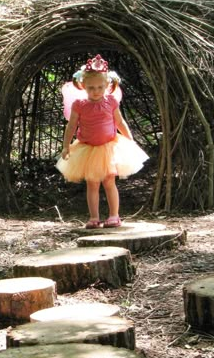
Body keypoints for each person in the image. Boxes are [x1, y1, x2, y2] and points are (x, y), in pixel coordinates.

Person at [56, 54, 148, 228]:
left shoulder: (111, 102)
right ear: (83, 86)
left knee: (109, 182)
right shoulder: (79, 104)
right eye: (91, 88)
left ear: (107, 85)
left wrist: (129, 139)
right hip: (88, 149)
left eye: (100, 87)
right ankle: (93, 217)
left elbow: (119, 122)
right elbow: (71, 126)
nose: (96, 91)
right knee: (92, 184)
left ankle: (114, 215)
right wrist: (66, 146)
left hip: (109, 148)